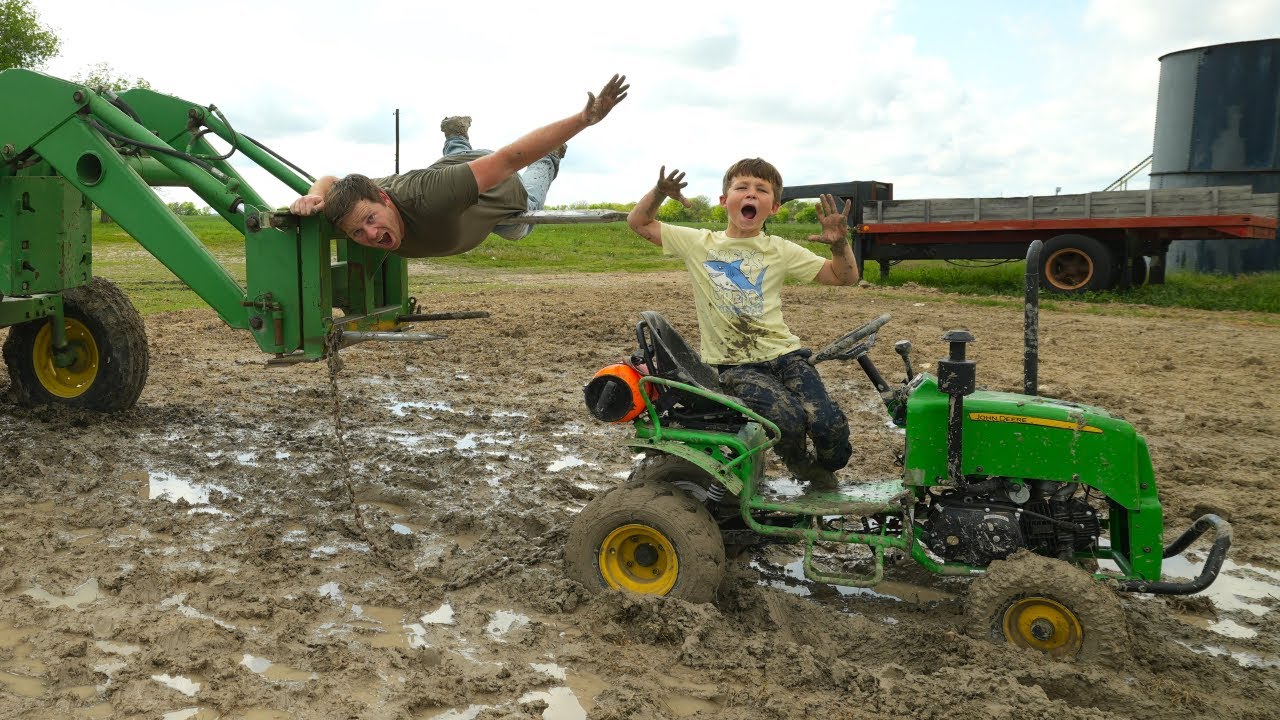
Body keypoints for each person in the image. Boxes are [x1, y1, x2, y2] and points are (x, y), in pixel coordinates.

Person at [626, 159, 859, 486]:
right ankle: (803, 467)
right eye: (742, 187)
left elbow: (843, 277)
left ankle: (829, 466)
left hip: (788, 357)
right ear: (725, 201)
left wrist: (839, 244)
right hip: (738, 366)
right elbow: (638, 222)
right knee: (786, 420)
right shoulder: (699, 243)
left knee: (827, 423)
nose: (751, 193)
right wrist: (659, 193)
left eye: (761, 190)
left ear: (774, 207)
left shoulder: (779, 249)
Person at [289, 74, 629, 258]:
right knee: (452, 164)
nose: (371, 235)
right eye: (357, 234)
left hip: (498, 187)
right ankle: (456, 134)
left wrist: (584, 119)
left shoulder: (429, 196)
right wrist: (313, 195)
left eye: (370, 220)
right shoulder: (359, 200)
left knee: (520, 226)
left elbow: (510, 159)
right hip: (453, 167)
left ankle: (552, 156)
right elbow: (332, 180)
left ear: (385, 199)